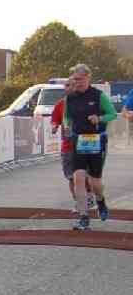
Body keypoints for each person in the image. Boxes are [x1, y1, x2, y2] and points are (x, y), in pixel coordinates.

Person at [63, 63, 117, 231]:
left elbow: (113, 114)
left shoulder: (99, 95)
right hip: (78, 141)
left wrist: (99, 118)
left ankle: (100, 200)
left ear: (88, 77)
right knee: (78, 177)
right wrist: (66, 125)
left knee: (95, 184)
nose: (77, 82)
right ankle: (83, 217)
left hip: (96, 141)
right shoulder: (70, 98)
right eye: (75, 79)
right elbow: (66, 116)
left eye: (80, 79)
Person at [50, 78, 94, 212]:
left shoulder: (87, 102)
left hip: (85, 143)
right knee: (71, 177)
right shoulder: (60, 104)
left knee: (85, 175)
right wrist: (55, 126)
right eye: (66, 86)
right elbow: (54, 120)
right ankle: (79, 203)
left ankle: (89, 197)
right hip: (68, 146)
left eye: (70, 85)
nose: (67, 88)